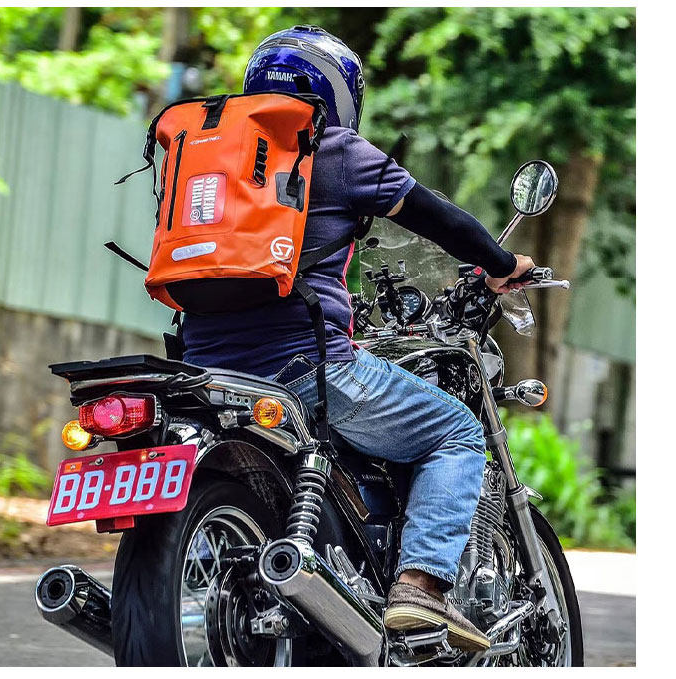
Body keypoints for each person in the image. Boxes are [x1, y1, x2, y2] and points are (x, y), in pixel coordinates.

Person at [182, 25, 535, 652]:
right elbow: (439, 219)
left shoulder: (205, 153)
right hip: (303, 363)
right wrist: (503, 265)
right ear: (338, 93)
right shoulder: (334, 148)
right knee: (456, 431)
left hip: (202, 367)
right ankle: (421, 587)